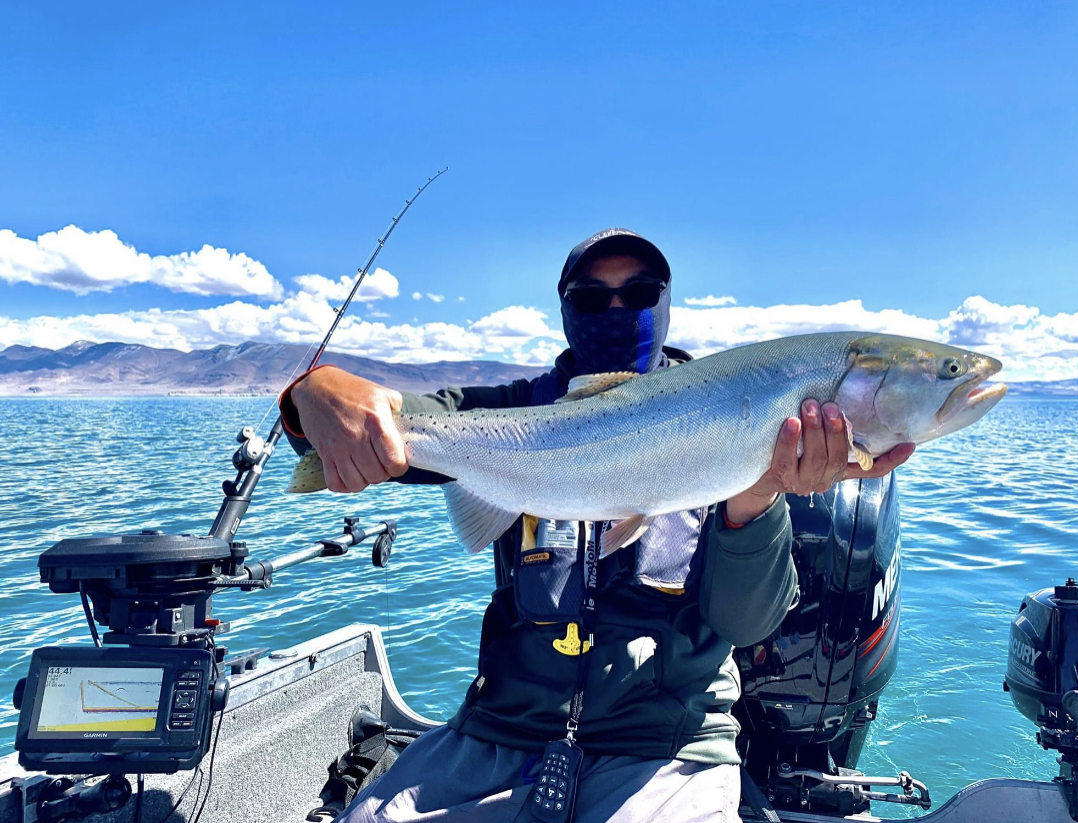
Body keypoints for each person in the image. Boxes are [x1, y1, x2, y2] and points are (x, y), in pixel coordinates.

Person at [279, 229, 914, 822]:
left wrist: (758, 493)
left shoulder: (733, 417)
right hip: (501, 729)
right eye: (591, 296)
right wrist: (314, 393)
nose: (616, 309)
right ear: (565, 308)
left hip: (669, 744)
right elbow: (362, 426)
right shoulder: (510, 412)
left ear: (665, 304)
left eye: (638, 293)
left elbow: (746, 626)